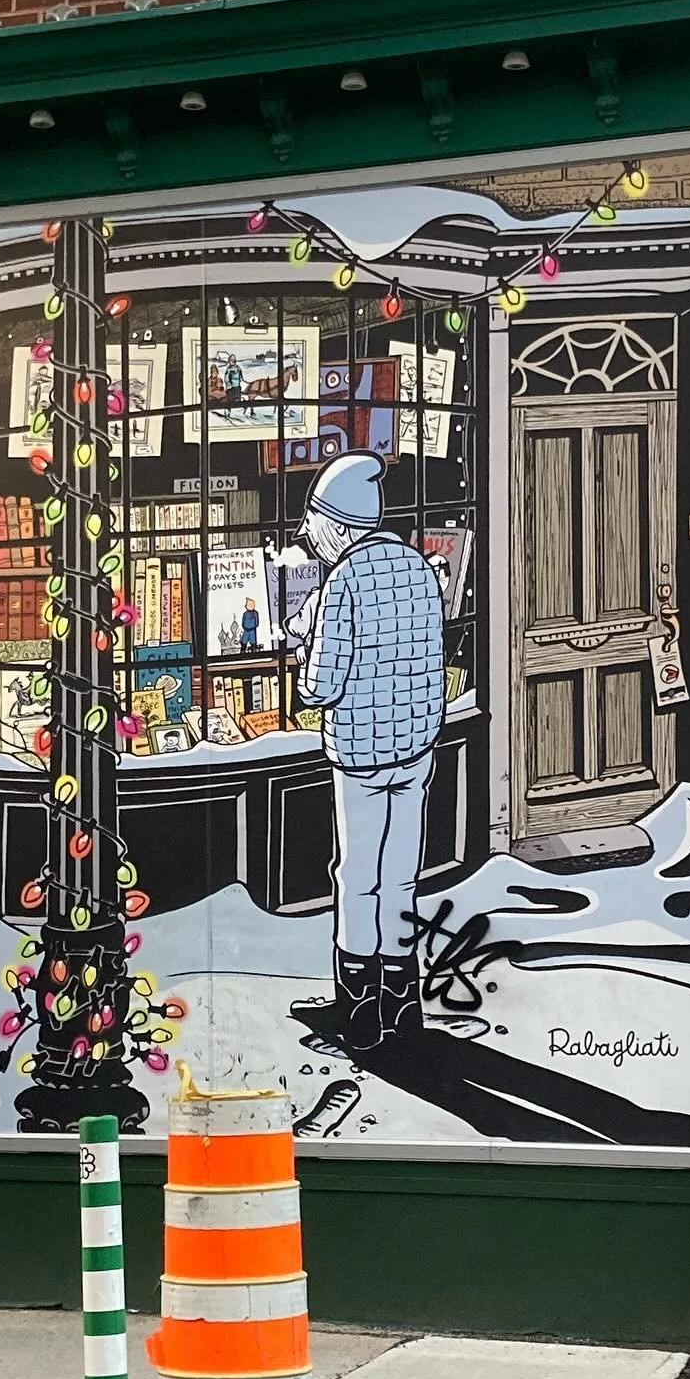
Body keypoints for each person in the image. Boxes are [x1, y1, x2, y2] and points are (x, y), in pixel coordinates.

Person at [286, 450, 445, 1052]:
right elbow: (427, 655)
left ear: (340, 526)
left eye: (318, 526)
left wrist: (304, 647)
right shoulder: (420, 571)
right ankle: (404, 1001)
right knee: (401, 875)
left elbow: (320, 687)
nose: (313, 539)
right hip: (417, 744)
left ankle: (357, 1008)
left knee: (356, 877)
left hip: (360, 751)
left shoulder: (342, 580)